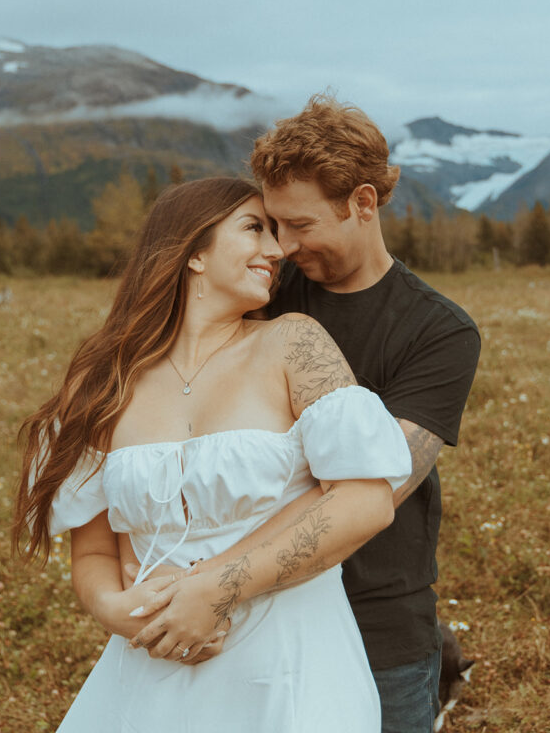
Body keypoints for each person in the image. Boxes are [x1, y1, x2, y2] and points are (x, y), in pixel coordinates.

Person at [129, 97, 480, 733]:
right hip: (243, 624)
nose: (282, 246)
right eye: (269, 226)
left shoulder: (439, 331)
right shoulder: (263, 293)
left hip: (378, 621)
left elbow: (376, 486)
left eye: (301, 225)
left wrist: (215, 583)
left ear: (363, 204)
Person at [13, 176, 412, 733]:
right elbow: (95, 552)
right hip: (154, 658)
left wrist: (215, 589)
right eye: (255, 229)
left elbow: (366, 501)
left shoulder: (293, 343)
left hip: (290, 661)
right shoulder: (103, 380)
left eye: (276, 233)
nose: (277, 251)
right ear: (193, 253)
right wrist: (118, 613)